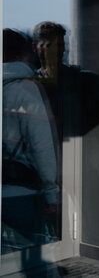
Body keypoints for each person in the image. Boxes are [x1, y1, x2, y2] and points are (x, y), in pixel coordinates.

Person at [2, 29, 59, 251]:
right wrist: (51, 192)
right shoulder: (25, 88)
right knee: (30, 257)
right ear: (22, 55)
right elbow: (41, 145)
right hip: (20, 193)